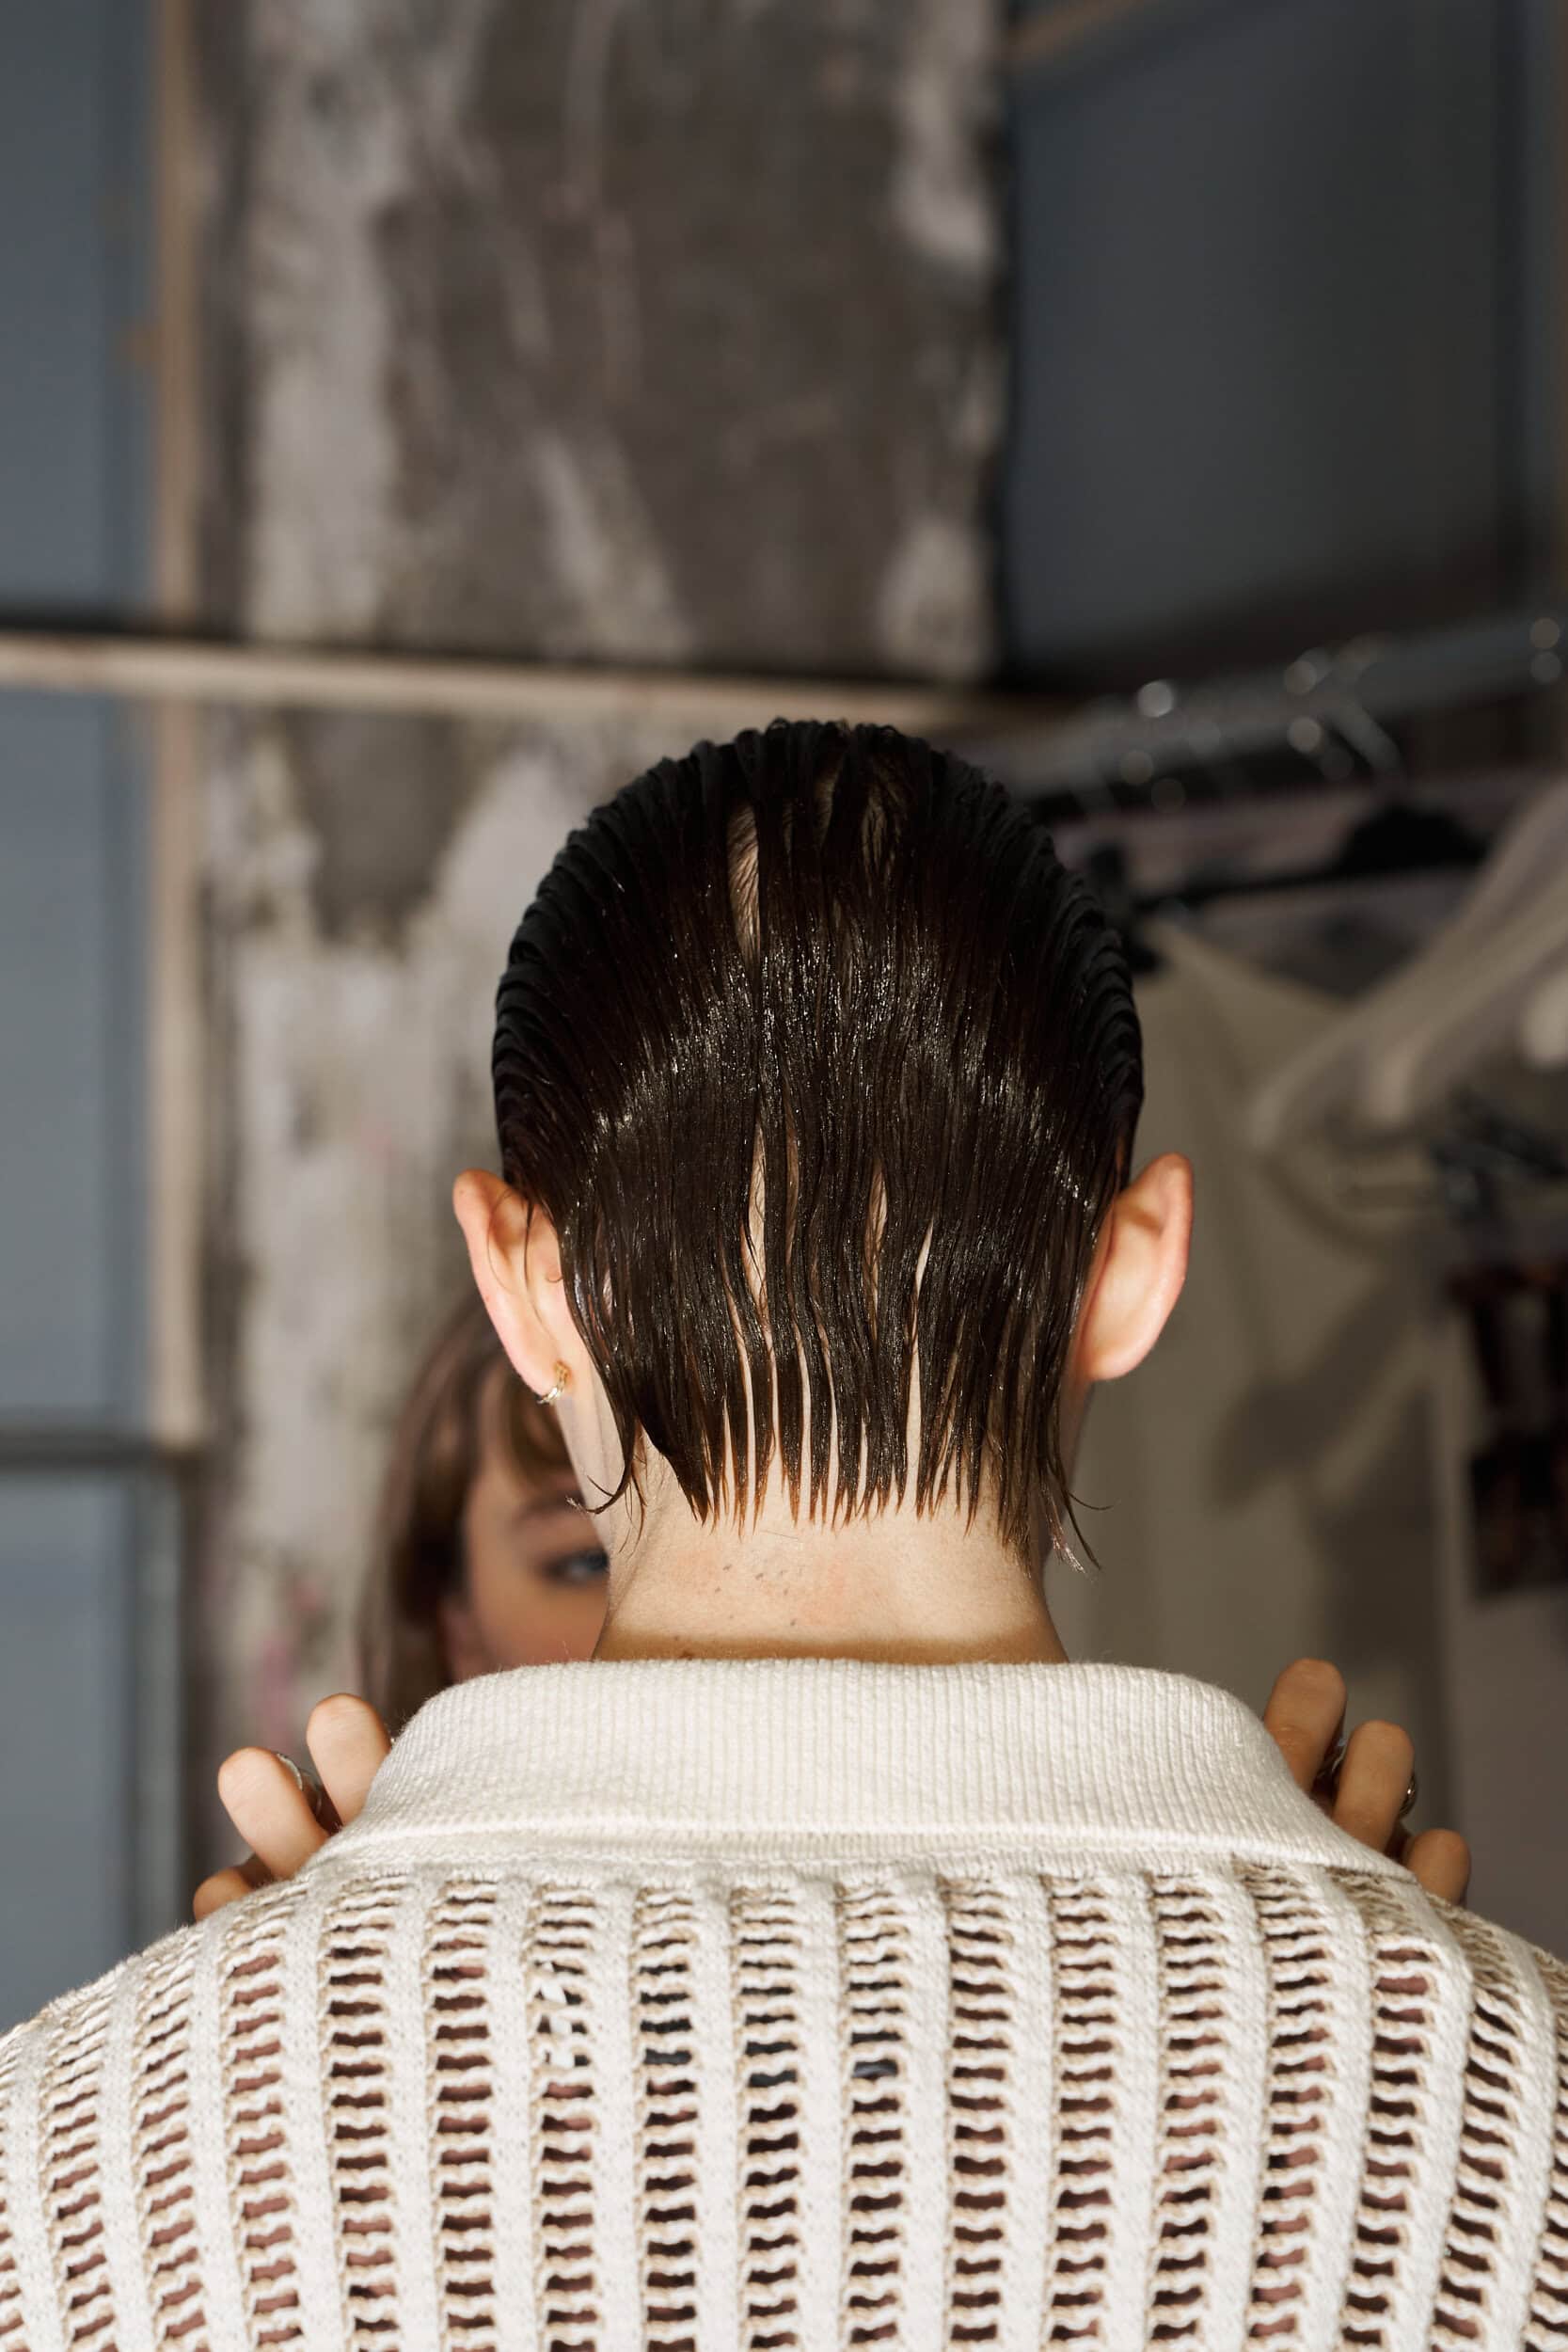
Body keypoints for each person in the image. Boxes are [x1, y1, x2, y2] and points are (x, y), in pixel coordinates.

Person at [0, 723, 1545, 2352]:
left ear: (520, 1284)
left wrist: (292, 2084)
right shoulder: (1494, 2124)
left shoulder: (89, 2168)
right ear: (1136, 1270)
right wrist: (1346, 2030)